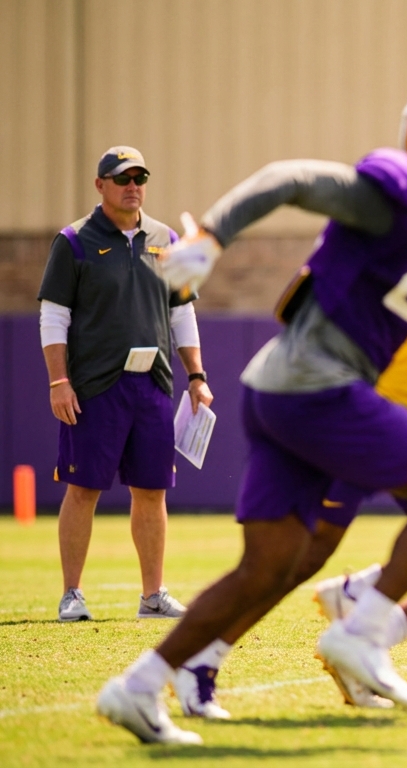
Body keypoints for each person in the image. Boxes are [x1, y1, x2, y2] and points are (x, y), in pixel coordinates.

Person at [97, 83, 407, 745]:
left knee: (266, 569)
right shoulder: (398, 193)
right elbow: (290, 179)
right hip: (319, 385)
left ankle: (136, 687)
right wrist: (214, 237)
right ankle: (363, 630)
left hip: (286, 389)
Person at [39, 146, 211, 623]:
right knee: (83, 489)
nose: (133, 185)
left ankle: (152, 595)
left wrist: (196, 376)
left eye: (139, 177)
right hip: (94, 387)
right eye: (122, 178)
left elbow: (182, 313)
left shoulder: (165, 238)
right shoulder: (73, 241)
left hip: (154, 384)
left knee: (152, 490)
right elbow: (53, 316)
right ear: (100, 185)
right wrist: (59, 381)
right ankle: (72, 593)